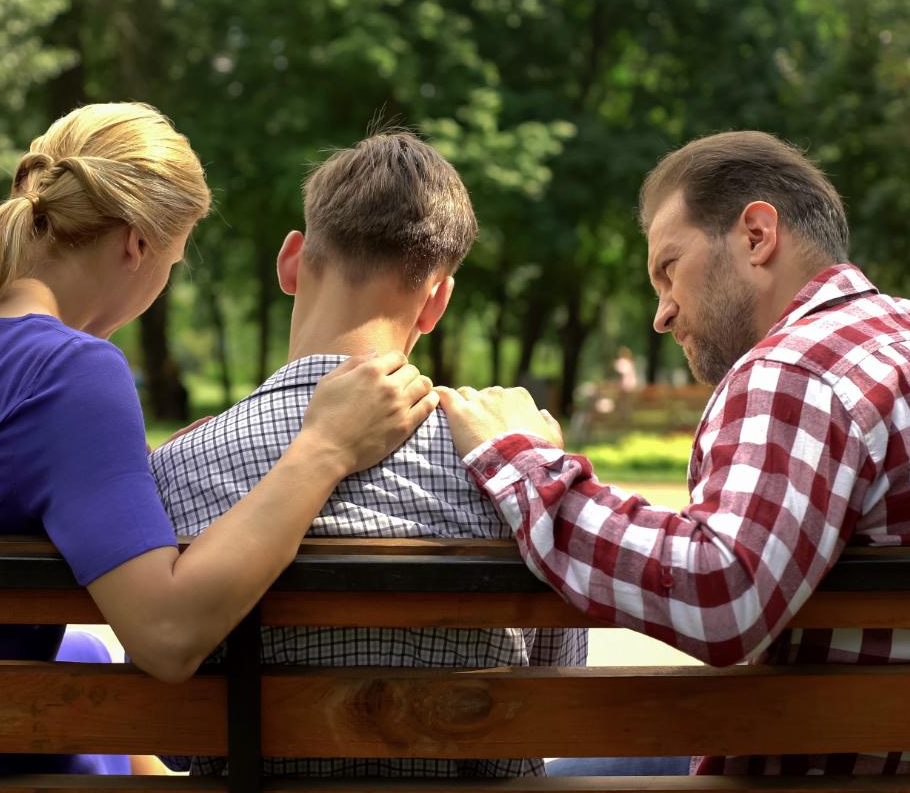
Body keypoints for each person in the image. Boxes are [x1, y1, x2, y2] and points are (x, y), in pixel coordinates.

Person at [0, 103, 438, 775]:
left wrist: (129, 465)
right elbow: (167, 636)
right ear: (137, 246)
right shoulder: (71, 370)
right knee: (110, 702)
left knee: (86, 661)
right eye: (171, 263)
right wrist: (326, 446)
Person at [437, 130, 910, 776]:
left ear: (756, 235)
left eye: (669, 268)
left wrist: (520, 459)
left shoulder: (796, 367)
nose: (661, 312)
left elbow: (721, 592)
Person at [150, 130, 587, 778]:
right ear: (437, 300)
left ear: (291, 261)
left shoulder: (180, 467)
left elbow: (177, 741)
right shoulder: (513, 469)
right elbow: (554, 702)